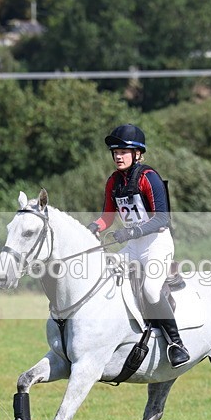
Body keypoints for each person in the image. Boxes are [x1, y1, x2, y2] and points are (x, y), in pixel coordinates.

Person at [87, 124, 189, 368]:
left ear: (137, 154)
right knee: (103, 274)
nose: (118, 156)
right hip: (132, 246)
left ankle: (176, 344)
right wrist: (91, 228)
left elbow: (162, 218)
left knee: (151, 291)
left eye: (124, 151)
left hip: (156, 244)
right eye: (115, 152)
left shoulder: (148, 178)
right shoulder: (114, 181)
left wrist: (132, 231)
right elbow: (107, 217)